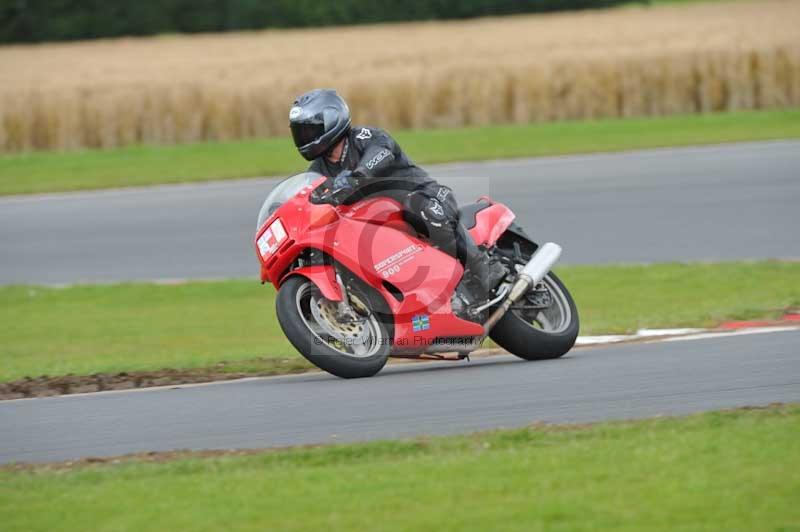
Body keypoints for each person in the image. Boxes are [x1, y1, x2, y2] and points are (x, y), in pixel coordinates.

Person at [289, 88, 506, 296]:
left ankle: (484, 268)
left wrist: (358, 175)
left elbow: (382, 153)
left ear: (332, 120)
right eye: (300, 132)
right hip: (380, 223)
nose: (305, 138)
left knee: (426, 209)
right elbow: (311, 199)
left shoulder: (365, 137)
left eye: (310, 130)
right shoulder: (318, 171)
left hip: (424, 195)